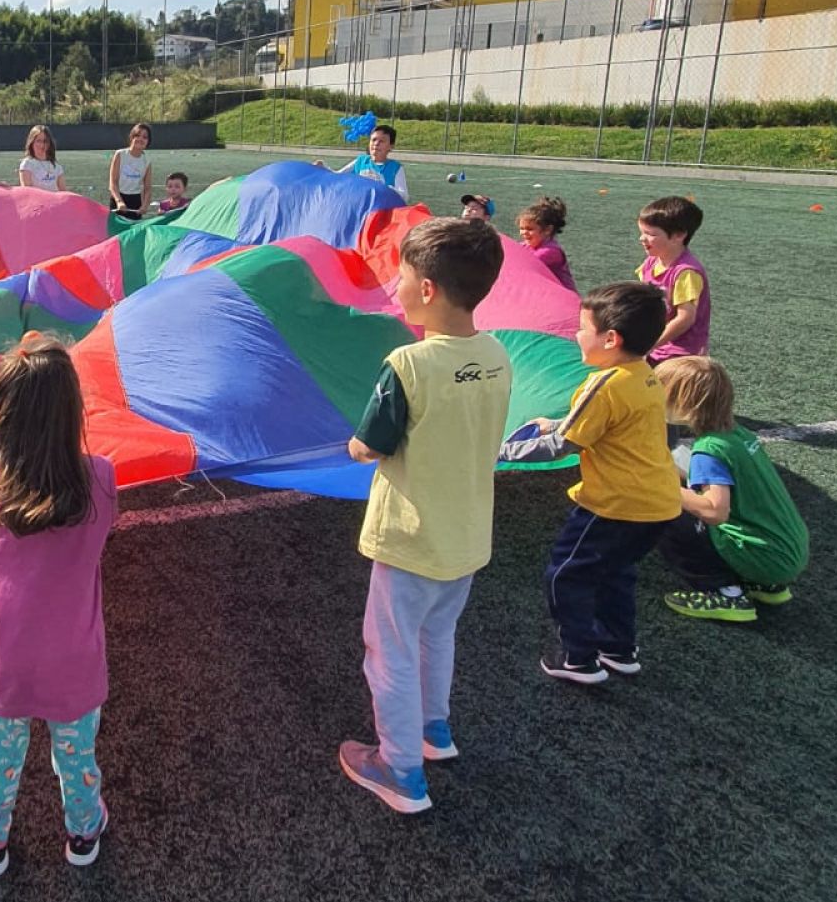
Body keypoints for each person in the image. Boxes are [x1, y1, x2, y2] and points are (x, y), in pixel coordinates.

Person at [341, 218, 511, 814]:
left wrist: (354, 446)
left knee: (389, 650)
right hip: (466, 536)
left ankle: (400, 769)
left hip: (412, 538)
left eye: (403, 276)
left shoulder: (408, 364)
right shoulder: (497, 354)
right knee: (437, 636)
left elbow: (371, 445)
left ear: (430, 289)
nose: (397, 286)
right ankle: (434, 731)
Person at [0, 337, 117, 877]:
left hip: (5, 662)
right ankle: (83, 833)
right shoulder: (101, 479)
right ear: (73, 410)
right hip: (74, 662)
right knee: (76, 760)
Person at [499, 282, 683, 685]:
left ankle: (578, 658)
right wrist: (556, 423)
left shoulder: (603, 384)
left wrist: (499, 452)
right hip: (659, 505)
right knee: (616, 572)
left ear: (611, 339)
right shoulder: (645, 377)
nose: (576, 335)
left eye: (582, 328)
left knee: (566, 575)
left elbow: (561, 446)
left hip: (615, 505)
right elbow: (607, 426)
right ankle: (618, 648)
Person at [654, 356, 809, 622]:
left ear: (684, 403)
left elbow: (715, 511)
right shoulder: (737, 435)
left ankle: (725, 592)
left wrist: (658, 485)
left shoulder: (708, 450)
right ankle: (765, 585)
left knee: (663, 509)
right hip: (785, 550)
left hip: (766, 557)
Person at [637, 196, 711, 362]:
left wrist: (651, 344)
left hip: (681, 354)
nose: (642, 238)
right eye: (642, 232)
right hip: (657, 346)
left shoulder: (686, 273)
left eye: (650, 234)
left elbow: (685, 318)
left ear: (679, 235)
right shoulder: (651, 262)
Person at [338, 124, 409, 201]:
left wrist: (383, 188)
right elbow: (338, 175)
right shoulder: (360, 161)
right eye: (374, 140)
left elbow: (404, 196)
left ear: (391, 146)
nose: (376, 143)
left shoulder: (396, 168)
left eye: (381, 141)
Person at [517, 197, 575, 289]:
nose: (523, 232)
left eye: (530, 229)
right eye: (521, 228)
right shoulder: (525, 246)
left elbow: (526, 265)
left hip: (562, 295)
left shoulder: (551, 251)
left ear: (548, 230)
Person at [108, 122, 152, 216]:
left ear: (148, 141)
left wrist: (145, 205)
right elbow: (113, 183)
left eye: (145, 137)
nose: (141, 139)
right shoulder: (120, 154)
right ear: (132, 137)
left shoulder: (147, 160)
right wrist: (119, 201)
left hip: (135, 201)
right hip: (118, 199)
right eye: (137, 135)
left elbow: (147, 188)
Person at [18, 125, 67, 193]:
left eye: (45, 141)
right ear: (32, 142)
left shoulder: (57, 167)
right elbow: (27, 192)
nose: (42, 145)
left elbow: (64, 192)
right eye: (38, 141)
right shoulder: (27, 164)